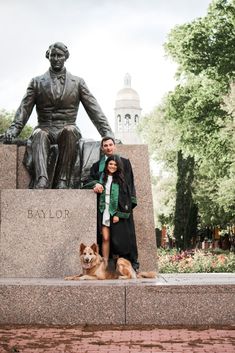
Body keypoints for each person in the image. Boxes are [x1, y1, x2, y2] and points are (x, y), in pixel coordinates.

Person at [4, 42, 114, 189]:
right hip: (45, 127)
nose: (56, 58)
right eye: (53, 55)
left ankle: (63, 180)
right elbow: (24, 109)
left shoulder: (78, 82)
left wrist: (107, 134)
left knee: (70, 131)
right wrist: (13, 131)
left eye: (59, 55)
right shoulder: (36, 82)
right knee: (38, 134)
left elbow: (94, 110)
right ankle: (42, 179)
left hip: (67, 127)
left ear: (65, 57)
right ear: (48, 57)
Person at [89, 136, 139, 271]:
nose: (108, 148)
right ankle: (106, 265)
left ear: (114, 146)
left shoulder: (125, 163)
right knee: (104, 237)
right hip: (103, 208)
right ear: (102, 148)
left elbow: (129, 186)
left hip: (121, 206)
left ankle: (129, 265)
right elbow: (90, 181)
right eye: (105, 145)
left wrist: (125, 209)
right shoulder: (96, 166)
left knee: (122, 237)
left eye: (110, 145)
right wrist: (96, 184)